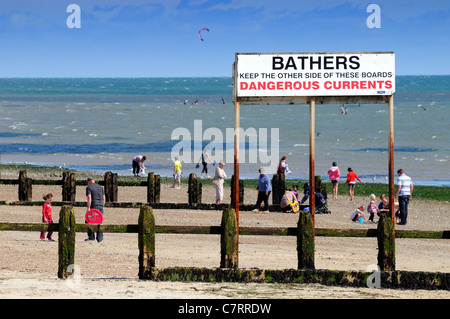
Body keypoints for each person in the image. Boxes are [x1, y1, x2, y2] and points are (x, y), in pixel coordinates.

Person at [86, 177, 106, 242]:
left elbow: (89, 197)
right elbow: (104, 197)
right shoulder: (100, 187)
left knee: (89, 220)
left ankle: (91, 237)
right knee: (99, 221)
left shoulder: (89, 187)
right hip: (100, 205)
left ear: (89, 182)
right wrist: (102, 205)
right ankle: (100, 238)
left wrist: (88, 207)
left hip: (94, 205)